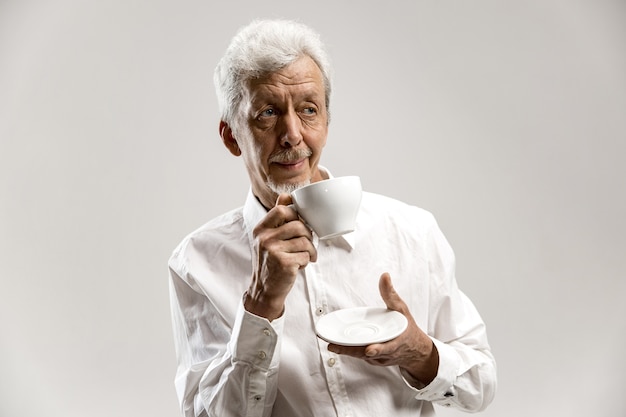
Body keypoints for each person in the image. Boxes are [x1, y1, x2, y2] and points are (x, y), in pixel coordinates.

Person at [168, 19, 497, 417]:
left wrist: (421, 353)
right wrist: (261, 305)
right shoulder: (197, 262)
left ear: (326, 121)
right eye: (268, 113)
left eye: (309, 110)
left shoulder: (412, 232)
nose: (293, 134)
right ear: (231, 136)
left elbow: (481, 383)